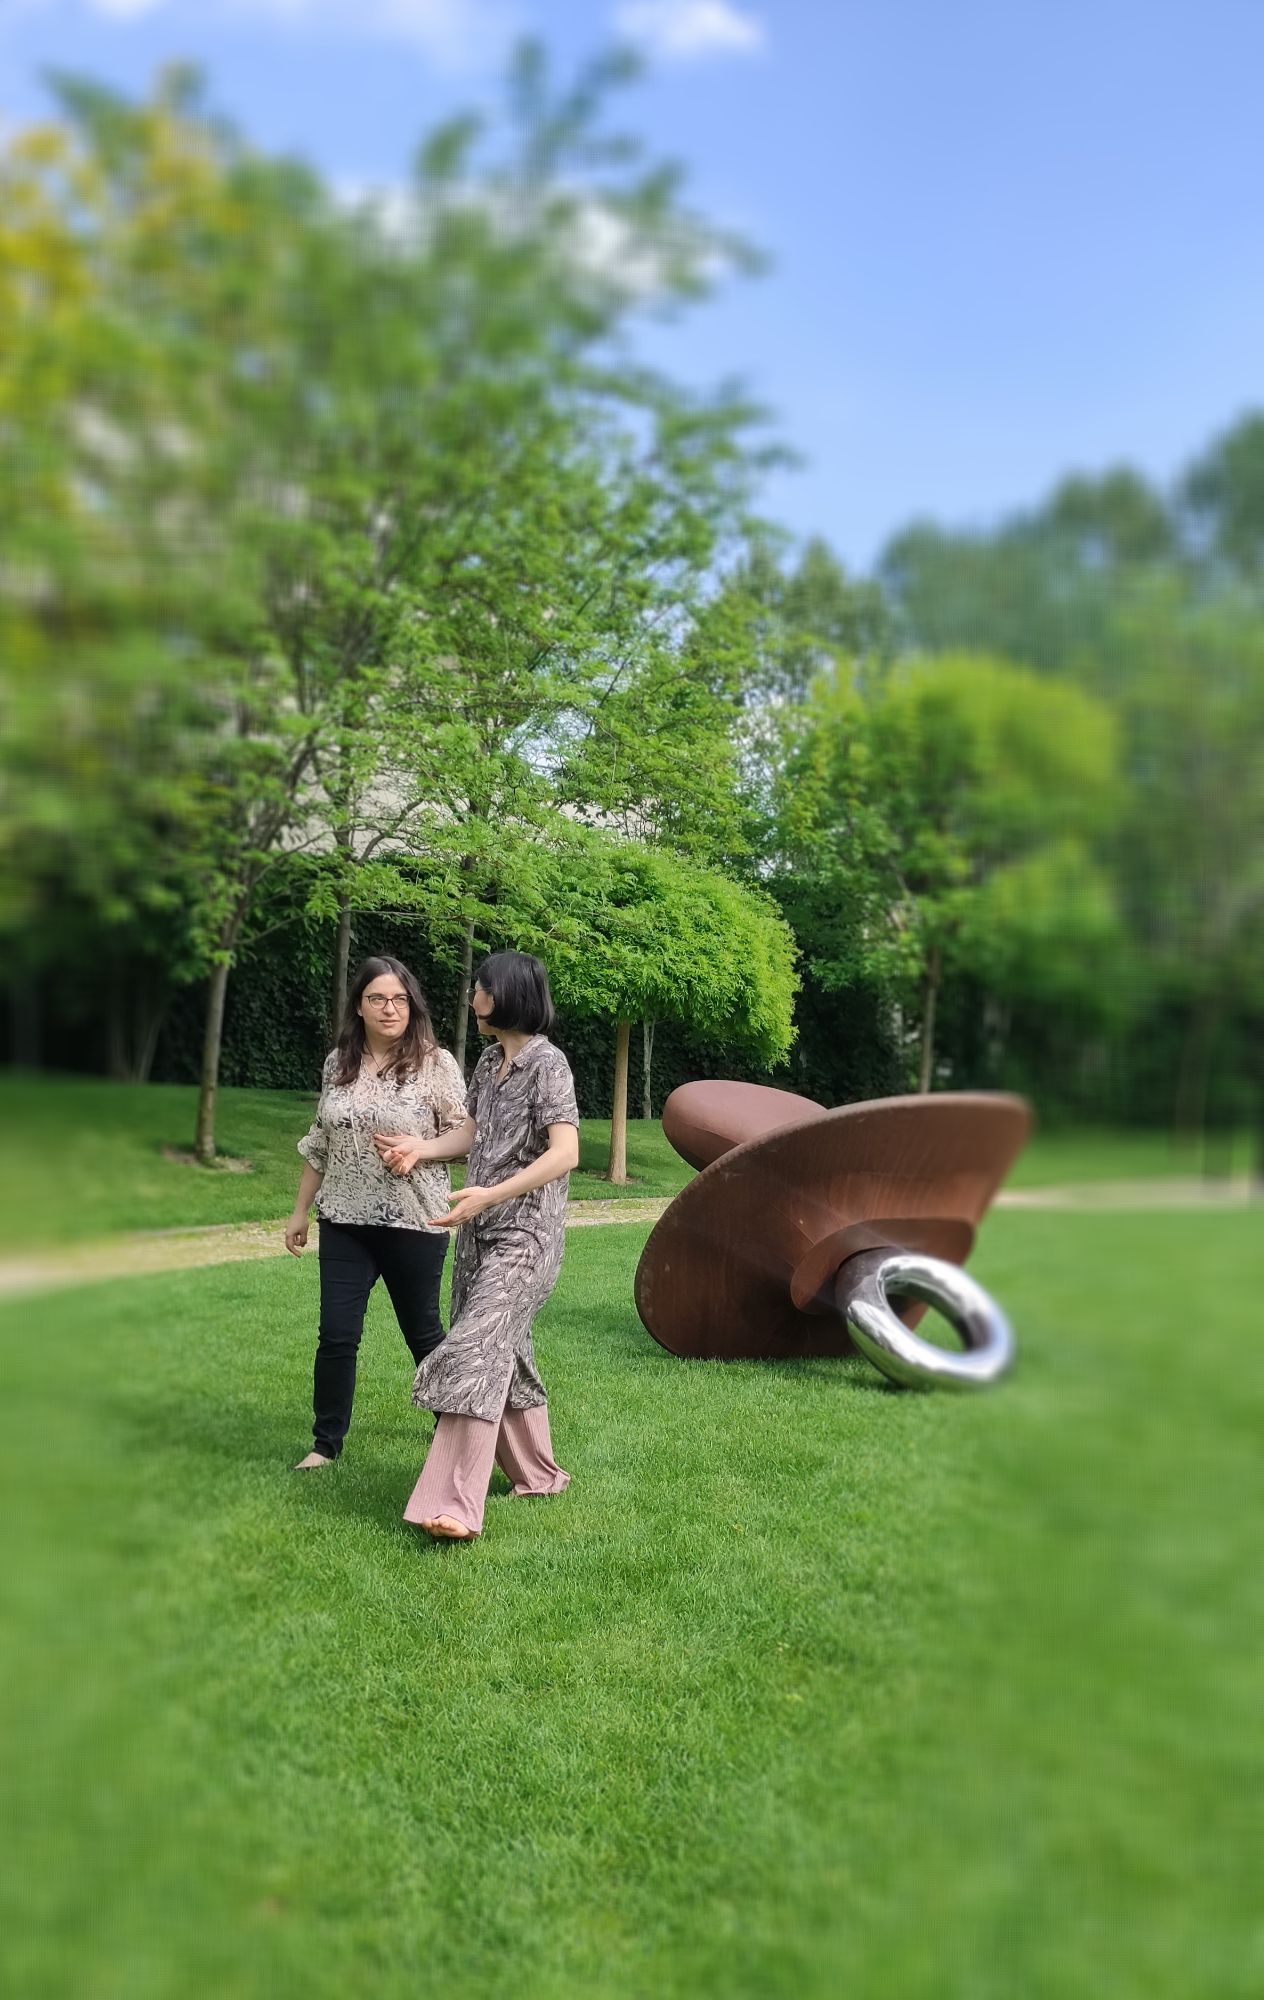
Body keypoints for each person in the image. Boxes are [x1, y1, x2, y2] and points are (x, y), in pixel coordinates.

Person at [375, 950, 579, 1541]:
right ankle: (539, 1475)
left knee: (474, 1349)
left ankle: (455, 1504)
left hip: (527, 1238)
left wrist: (489, 1194)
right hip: (479, 1235)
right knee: (506, 1351)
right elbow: (472, 1132)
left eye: (480, 989)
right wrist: (421, 1147)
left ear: (505, 995)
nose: (472, 999)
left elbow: (565, 1152)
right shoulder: (490, 1061)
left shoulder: (549, 1064)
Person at [286, 956, 467, 1470]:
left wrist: (420, 1148)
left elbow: (465, 1134)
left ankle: (457, 1434)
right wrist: (300, 1211)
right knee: (336, 1335)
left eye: (399, 999)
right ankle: (325, 1444)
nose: (390, 1009)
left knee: (423, 1333)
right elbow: (320, 1143)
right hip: (343, 1219)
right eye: (378, 999)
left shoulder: (436, 1063)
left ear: (412, 1006)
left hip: (414, 1220)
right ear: (359, 1007)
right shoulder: (338, 1063)